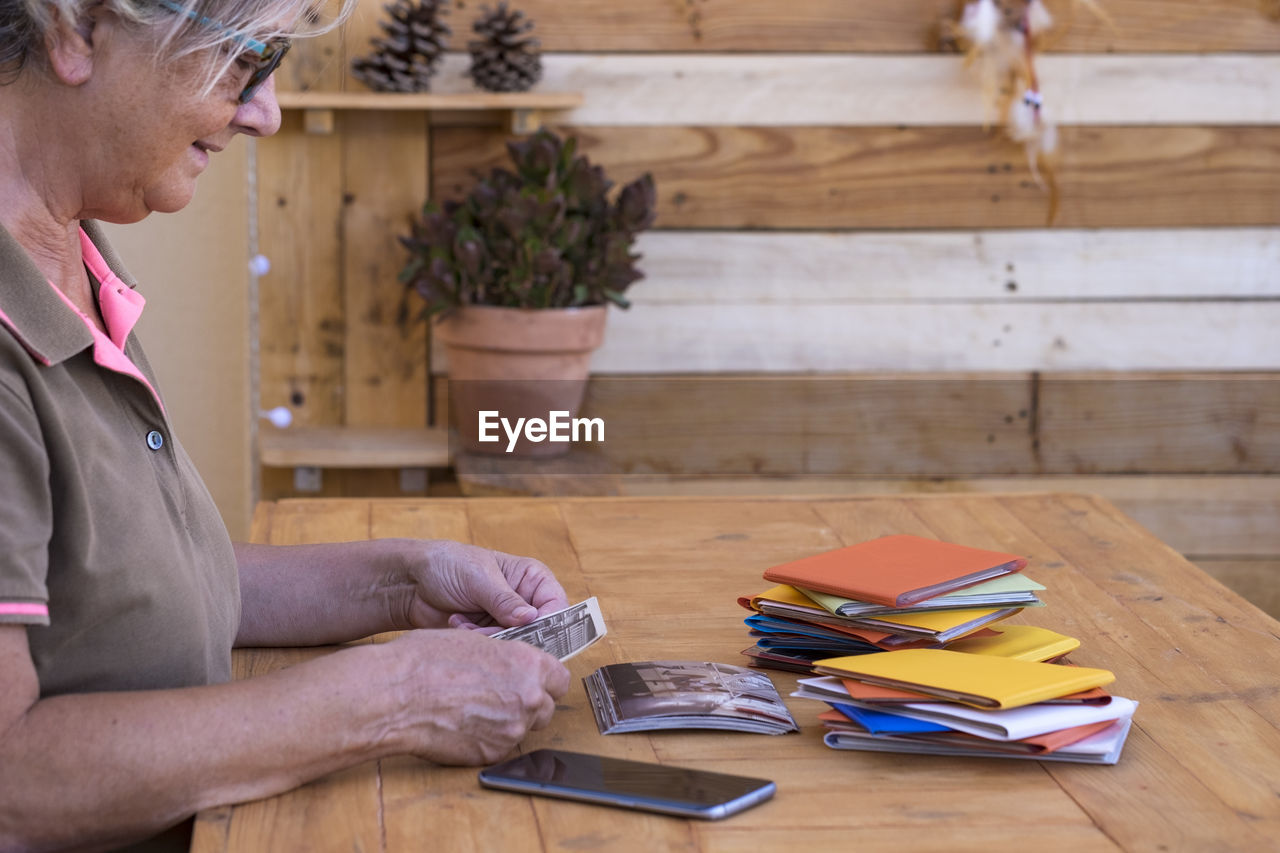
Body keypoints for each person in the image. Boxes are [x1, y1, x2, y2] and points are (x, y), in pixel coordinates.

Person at [0, 1, 572, 849]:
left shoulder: (73, 258)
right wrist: (395, 696)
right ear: (76, 28)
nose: (264, 111)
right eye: (246, 58)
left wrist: (403, 580)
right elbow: (12, 778)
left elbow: (128, 594)